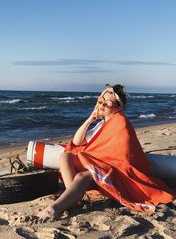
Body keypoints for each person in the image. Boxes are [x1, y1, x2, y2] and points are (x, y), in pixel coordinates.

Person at [37, 84, 175, 221]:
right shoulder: (100, 125)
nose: (102, 105)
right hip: (98, 165)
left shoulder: (121, 122)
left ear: (118, 107)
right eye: (100, 101)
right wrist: (90, 119)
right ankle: (73, 198)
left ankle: (54, 209)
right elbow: (77, 142)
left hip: (116, 171)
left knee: (82, 177)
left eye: (107, 103)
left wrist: (96, 162)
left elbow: (124, 155)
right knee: (65, 156)